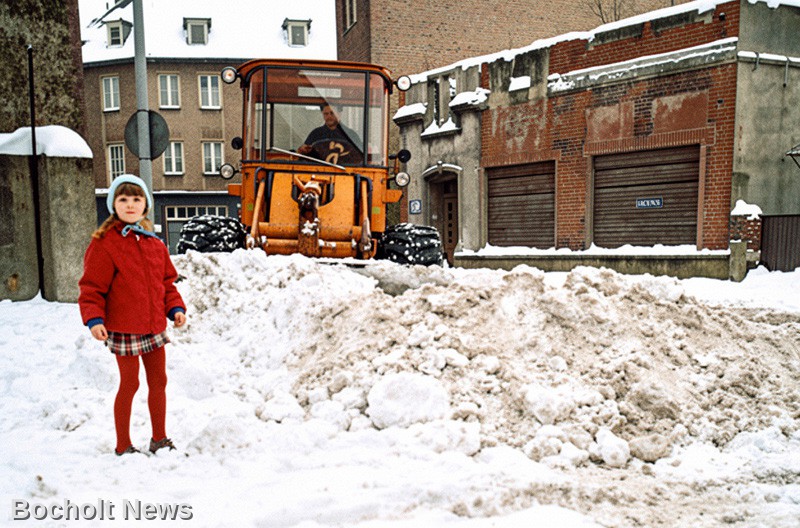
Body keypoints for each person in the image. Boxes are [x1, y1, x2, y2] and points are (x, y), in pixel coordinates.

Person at [78, 174, 186, 456]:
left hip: (153, 327)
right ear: (114, 204)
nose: (130, 204)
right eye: (123, 199)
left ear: (145, 205)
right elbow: (91, 287)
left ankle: (159, 438)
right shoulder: (105, 243)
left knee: (159, 381)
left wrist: (175, 308)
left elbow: (166, 284)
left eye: (136, 199)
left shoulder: (155, 244)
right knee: (130, 382)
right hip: (124, 327)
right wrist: (94, 319)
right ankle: (123, 444)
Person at [297, 103, 362, 161]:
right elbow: (304, 156)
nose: (329, 116)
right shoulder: (315, 134)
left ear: (339, 113)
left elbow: (360, 158)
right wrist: (302, 151)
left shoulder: (351, 135)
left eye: (332, 113)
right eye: (326, 114)